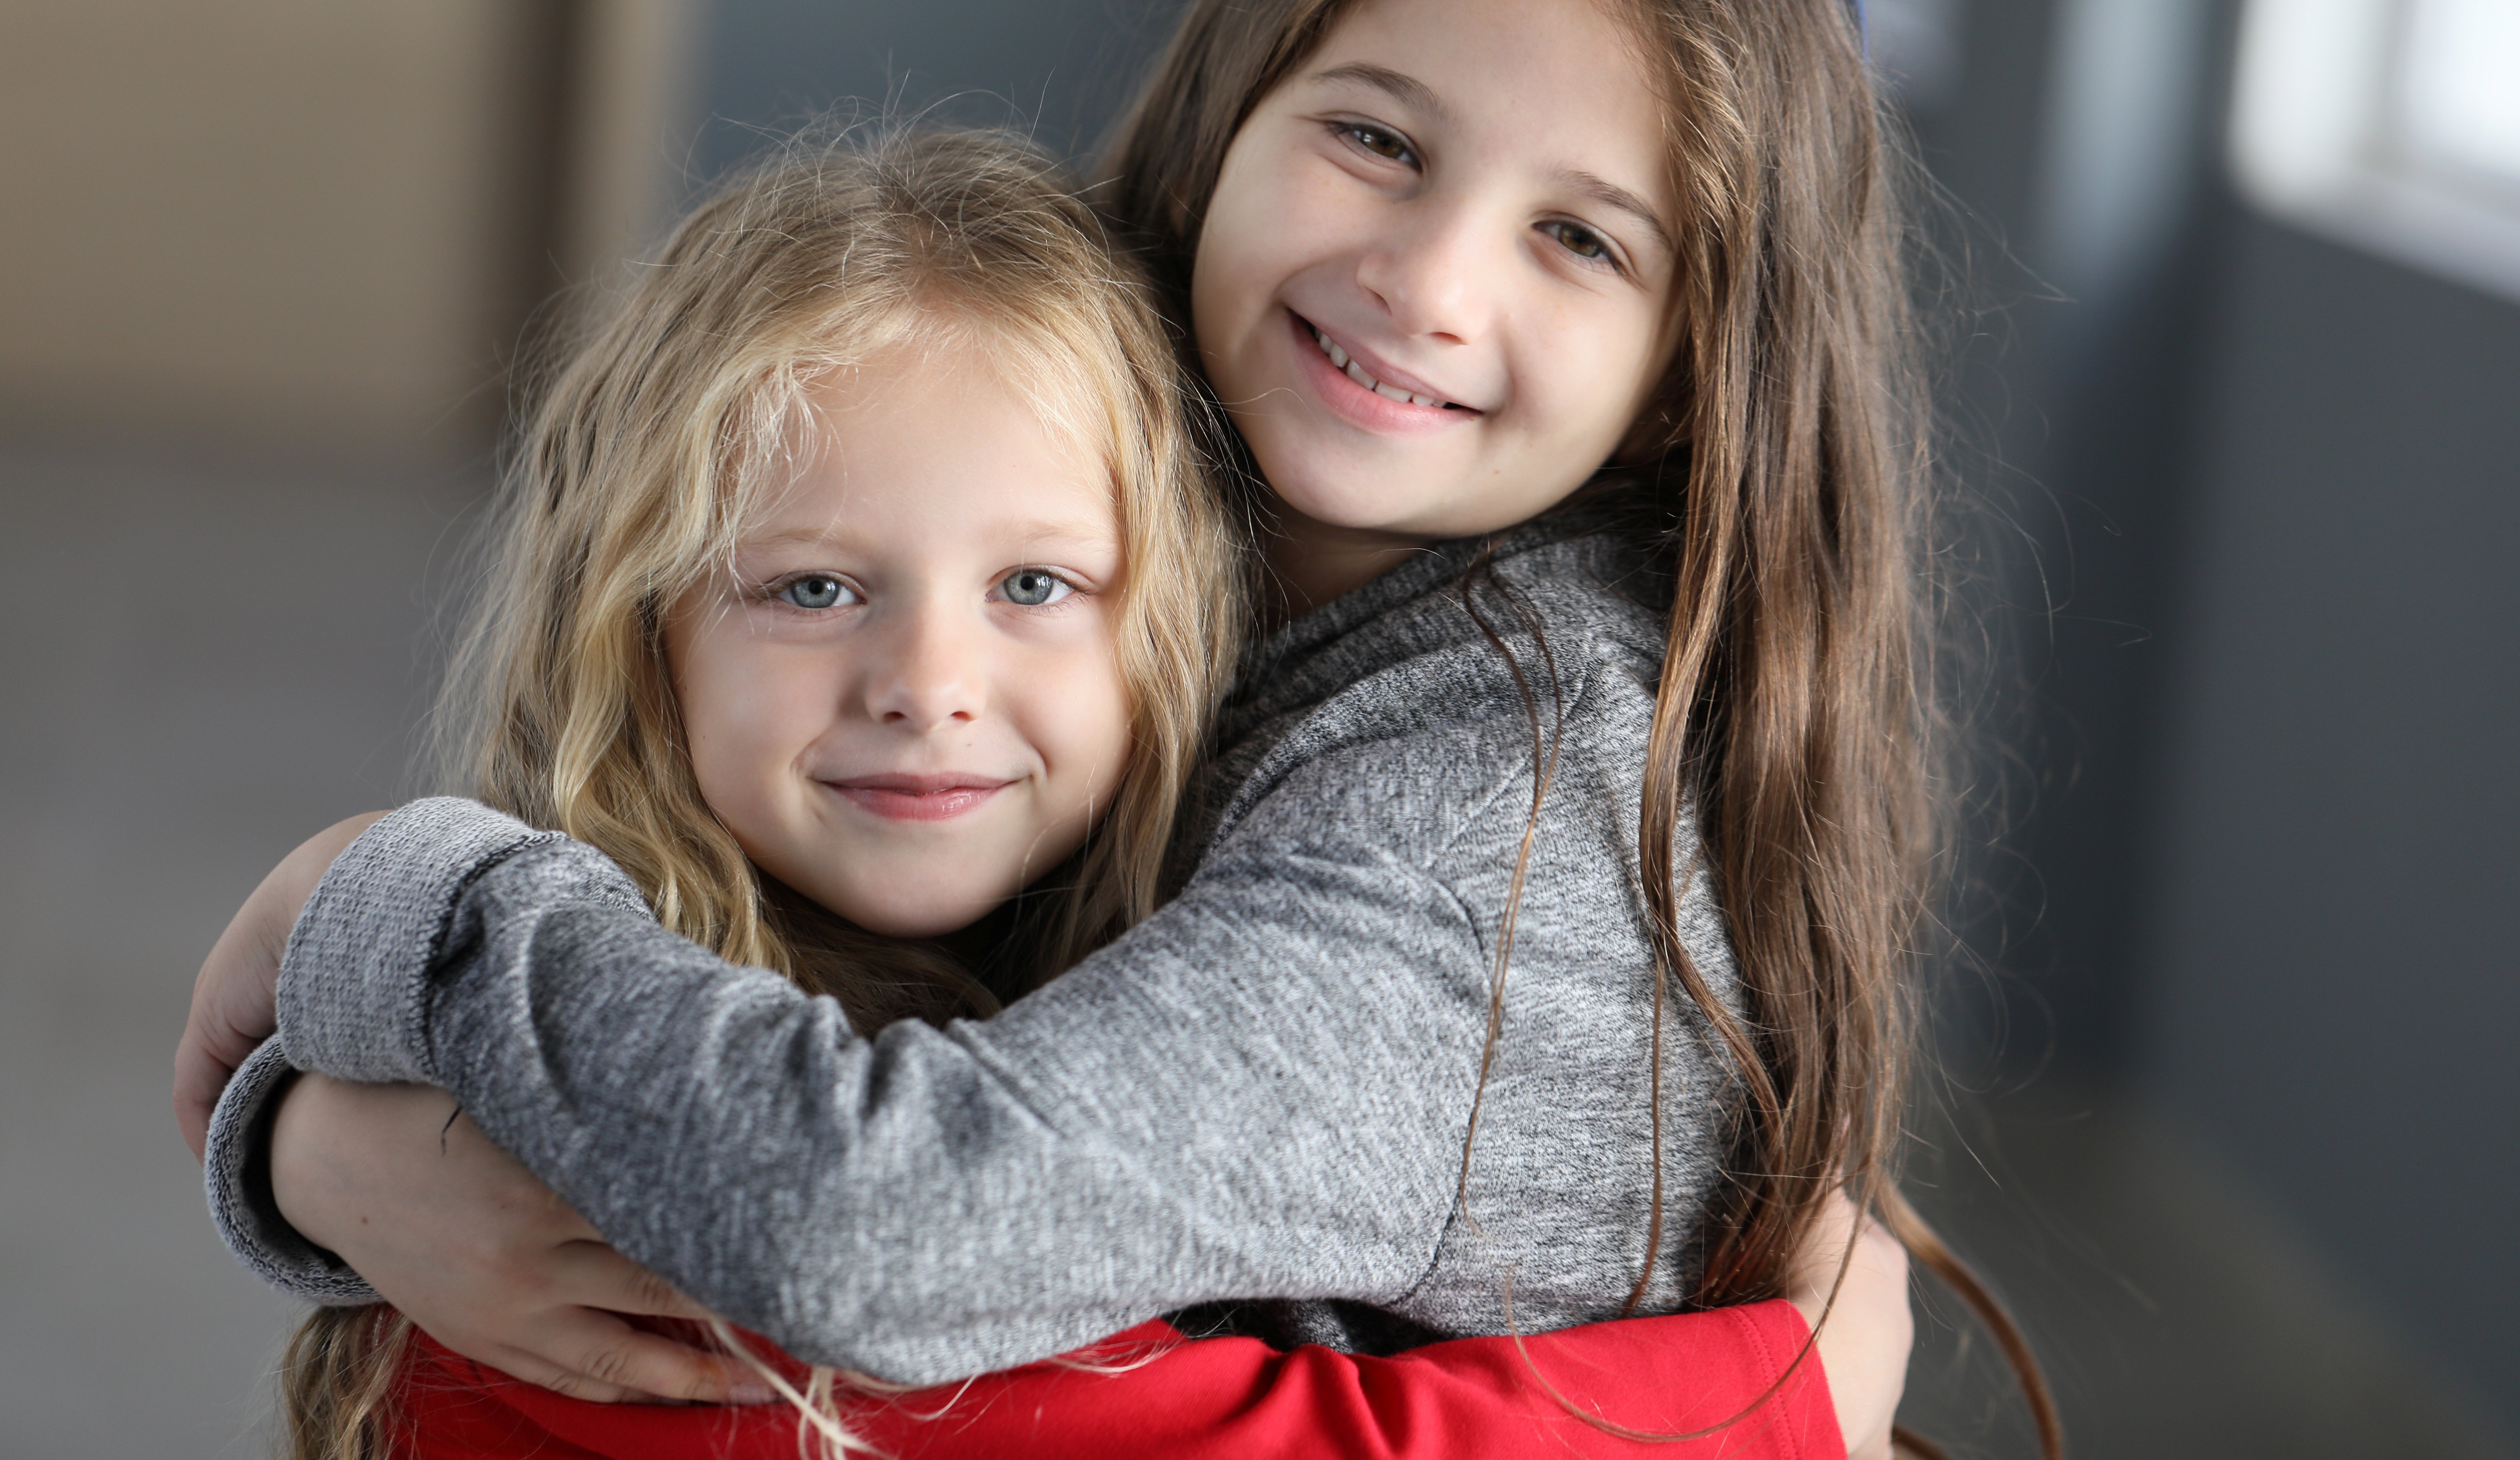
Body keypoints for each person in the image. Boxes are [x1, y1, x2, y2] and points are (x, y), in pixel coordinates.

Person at [185, 0, 2055, 1454]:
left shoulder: (1495, 803)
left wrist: (398, 905)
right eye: (1379, 138)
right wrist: (319, 1148)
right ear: (1232, 109)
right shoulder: (1118, 455)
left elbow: (889, 1226)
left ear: (1691, 363)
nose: (1428, 279)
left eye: (1580, 235)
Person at [256, 127, 1880, 1460]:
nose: (932, 681)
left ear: (1169, 625)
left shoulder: (1118, 968)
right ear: (638, 630)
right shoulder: (649, 1155)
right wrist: (1766, 1404)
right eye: (814, 588)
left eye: (1036, 583)